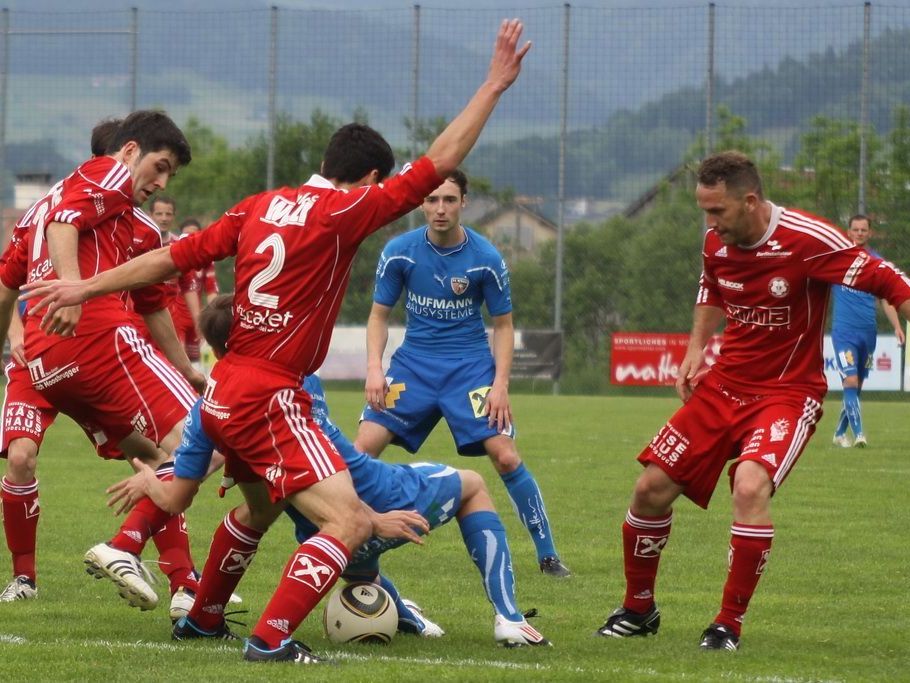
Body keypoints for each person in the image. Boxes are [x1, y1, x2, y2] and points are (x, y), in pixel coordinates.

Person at [22, 19, 531, 664]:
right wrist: (492, 85)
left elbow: (166, 262)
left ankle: (204, 619)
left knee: (250, 505)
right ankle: (269, 640)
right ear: (370, 179)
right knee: (344, 521)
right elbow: (442, 160)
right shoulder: (344, 212)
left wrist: (86, 287)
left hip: (227, 384)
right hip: (270, 391)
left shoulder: (258, 205)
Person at [594, 151, 910, 651]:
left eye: (717, 211)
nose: (709, 222)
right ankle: (638, 609)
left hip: (786, 394)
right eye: (704, 211)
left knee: (748, 485)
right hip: (723, 387)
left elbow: (893, 284)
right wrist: (695, 349)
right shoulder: (716, 242)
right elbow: (709, 289)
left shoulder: (809, 240)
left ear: (750, 201)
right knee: (649, 489)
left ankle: (727, 624)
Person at [110, 293, 550, 647]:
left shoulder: (212, 405)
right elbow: (322, 460)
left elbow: (183, 493)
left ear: (213, 346)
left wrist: (155, 475)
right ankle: (509, 620)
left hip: (318, 536)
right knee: (472, 485)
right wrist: (374, 520)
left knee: (255, 513)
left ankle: (204, 619)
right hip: (366, 506)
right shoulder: (290, 379)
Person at [0, 110, 209, 616]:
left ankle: (183, 582)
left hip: (52, 360)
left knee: (156, 458)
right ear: (127, 150)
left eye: (169, 178)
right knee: (205, 437)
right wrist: (68, 293)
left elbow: (155, 301)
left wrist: (185, 367)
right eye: (158, 168)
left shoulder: (106, 217)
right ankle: (120, 548)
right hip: (93, 342)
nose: (158, 186)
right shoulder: (104, 174)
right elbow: (63, 223)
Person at [355, 170, 569, 578]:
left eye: (449, 200)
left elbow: (503, 325)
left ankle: (548, 555)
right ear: (421, 202)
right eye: (433, 199)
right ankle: (350, 537)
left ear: (464, 203)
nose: (440, 208)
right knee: (361, 451)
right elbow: (378, 316)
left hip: (469, 370)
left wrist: (501, 385)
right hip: (413, 369)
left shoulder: (486, 257)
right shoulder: (400, 251)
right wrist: (374, 370)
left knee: (505, 455)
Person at [830, 214, 905, 448]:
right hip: (843, 332)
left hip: (868, 334)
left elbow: (886, 298)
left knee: (857, 385)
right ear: (848, 231)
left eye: (864, 230)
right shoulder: (836, 259)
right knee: (850, 381)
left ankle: (840, 433)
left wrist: (897, 326)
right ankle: (859, 435)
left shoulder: (877, 263)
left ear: (870, 233)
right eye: (855, 229)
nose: (860, 233)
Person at [150, 197, 203, 367]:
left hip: (171, 321)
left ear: (174, 217)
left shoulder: (179, 246)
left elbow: (189, 286)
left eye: (168, 214)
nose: (164, 218)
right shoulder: (139, 242)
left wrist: (198, 321)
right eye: (159, 214)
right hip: (138, 319)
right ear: (150, 215)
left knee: (178, 368)